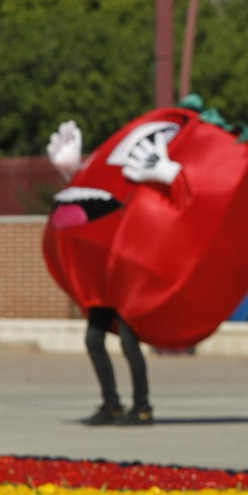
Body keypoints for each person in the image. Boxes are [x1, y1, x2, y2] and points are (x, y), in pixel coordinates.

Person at [46, 121, 153, 426]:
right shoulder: (100, 181)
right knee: (94, 339)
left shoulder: (130, 185)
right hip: (100, 281)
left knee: (129, 343)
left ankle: (143, 407)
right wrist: (72, 174)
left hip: (125, 278)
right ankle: (112, 404)